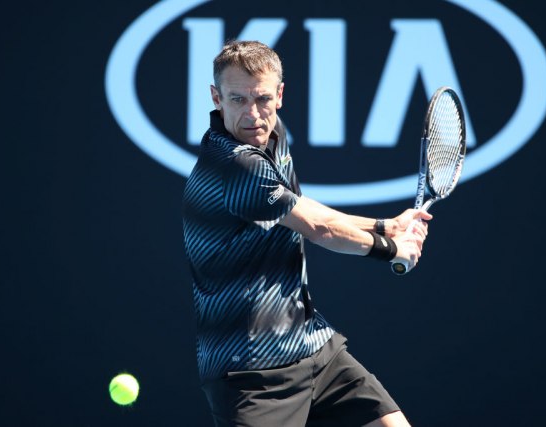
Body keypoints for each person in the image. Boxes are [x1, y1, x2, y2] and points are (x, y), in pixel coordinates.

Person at [182, 40, 432, 427]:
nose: (252, 114)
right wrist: (390, 249)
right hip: (251, 372)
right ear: (216, 98)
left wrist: (384, 226)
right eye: (237, 99)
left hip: (314, 347)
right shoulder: (234, 165)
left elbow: (301, 209)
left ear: (280, 95)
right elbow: (318, 229)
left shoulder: (273, 136)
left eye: (262, 99)